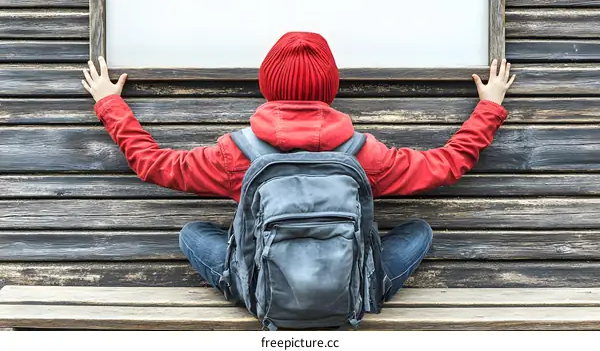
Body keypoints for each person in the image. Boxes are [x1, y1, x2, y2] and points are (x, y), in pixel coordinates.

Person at [82, 31, 514, 304]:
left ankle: (261, 289)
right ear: (331, 87)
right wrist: (489, 108)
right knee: (419, 231)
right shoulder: (364, 155)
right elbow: (447, 164)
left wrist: (110, 102)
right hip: (352, 294)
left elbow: (154, 164)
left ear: (267, 85)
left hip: (264, 294)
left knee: (192, 233)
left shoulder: (236, 153)